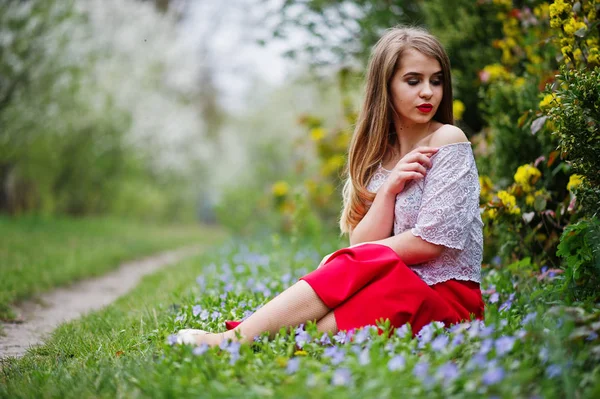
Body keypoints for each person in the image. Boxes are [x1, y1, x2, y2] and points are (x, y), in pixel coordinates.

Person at [177, 25, 485, 346]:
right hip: (392, 287)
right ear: (386, 87)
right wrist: (390, 190)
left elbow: (429, 243)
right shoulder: (379, 157)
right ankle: (245, 337)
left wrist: (347, 260)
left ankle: (233, 340)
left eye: (436, 81)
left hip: (446, 303)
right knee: (322, 310)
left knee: (350, 273)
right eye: (413, 81)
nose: (428, 92)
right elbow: (361, 241)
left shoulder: (447, 140)